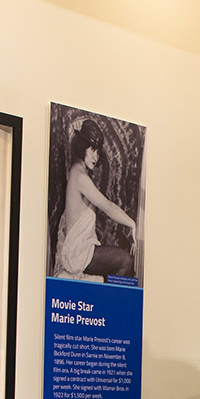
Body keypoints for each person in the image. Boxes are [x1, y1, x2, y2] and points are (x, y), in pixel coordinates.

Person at [54, 120, 137, 280]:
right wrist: (132, 224)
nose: (95, 156)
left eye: (98, 151)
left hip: (80, 249)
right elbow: (107, 206)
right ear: (82, 147)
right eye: (92, 149)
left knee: (122, 262)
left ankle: (110, 299)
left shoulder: (76, 172)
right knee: (126, 261)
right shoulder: (80, 177)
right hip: (77, 253)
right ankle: (112, 302)